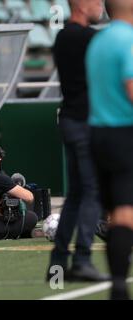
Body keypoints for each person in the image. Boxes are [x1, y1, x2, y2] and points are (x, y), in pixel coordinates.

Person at [47, 0, 108, 283]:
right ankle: (82, 258)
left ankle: (58, 261)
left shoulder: (62, 36)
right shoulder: (88, 38)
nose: (101, 6)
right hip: (85, 123)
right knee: (92, 191)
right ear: (83, 4)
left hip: (70, 121)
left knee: (75, 195)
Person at [86, 0, 133, 300]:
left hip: (98, 135)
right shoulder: (127, 39)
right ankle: (118, 287)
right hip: (122, 133)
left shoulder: (98, 40)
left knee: (118, 212)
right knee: (126, 213)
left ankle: (117, 283)